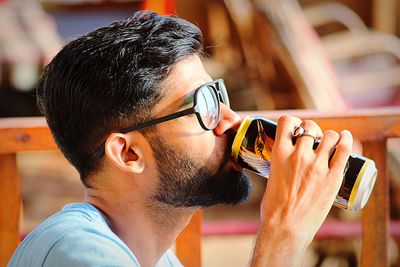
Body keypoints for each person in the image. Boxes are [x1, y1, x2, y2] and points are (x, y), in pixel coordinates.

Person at [8, 10, 352, 267]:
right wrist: (283, 235)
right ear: (128, 153)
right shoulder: (77, 254)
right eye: (204, 105)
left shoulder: (154, 258)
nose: (230, 120)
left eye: (218, 95)